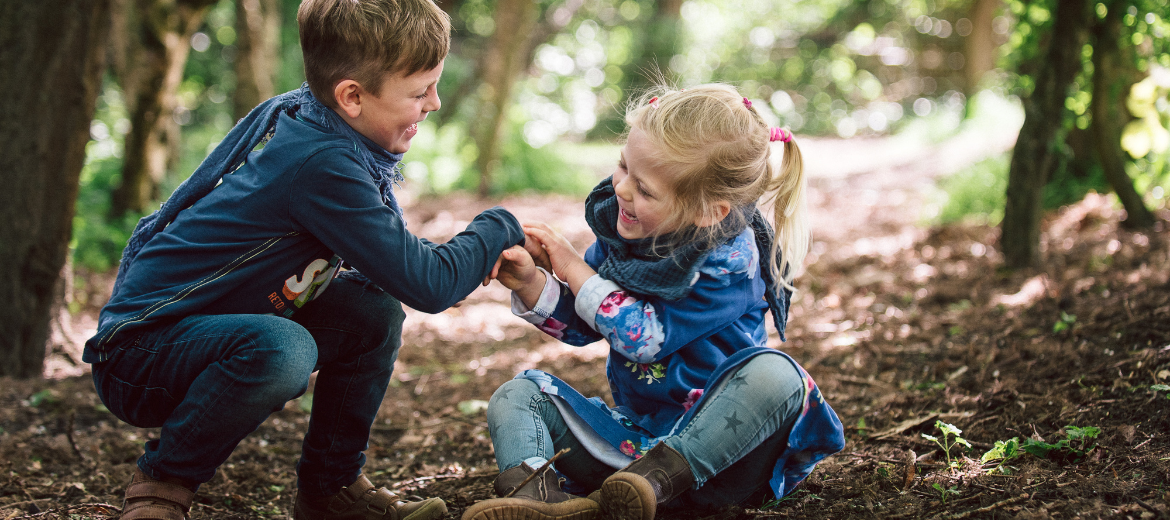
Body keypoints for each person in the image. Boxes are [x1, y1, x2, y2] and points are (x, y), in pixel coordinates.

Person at [82, 1, 526, 519]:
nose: (435, 103)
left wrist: (475, 251)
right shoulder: (322, 163)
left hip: (212, 327)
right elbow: (428, 285)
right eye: (419, 90)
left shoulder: (320, 128)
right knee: (283, 347)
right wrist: (498, 227)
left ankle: (330, 490)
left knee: (371, 312)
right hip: (141, 354)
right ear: (353, 96)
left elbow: (400, 266)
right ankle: (160, 489)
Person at [463, 84, 845, 520]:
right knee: (519, 394)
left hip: (725, 457)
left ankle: (654, 484)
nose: (622, 189)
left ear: (708, 212)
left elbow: (643, 337)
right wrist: (532, 282)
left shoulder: (728, 261)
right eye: (623, 166)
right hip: (636, 445)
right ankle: (537, 498)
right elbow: (589, 320)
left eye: (644, 189)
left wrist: (572, 266)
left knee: (778, 374)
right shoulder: (628, 235)